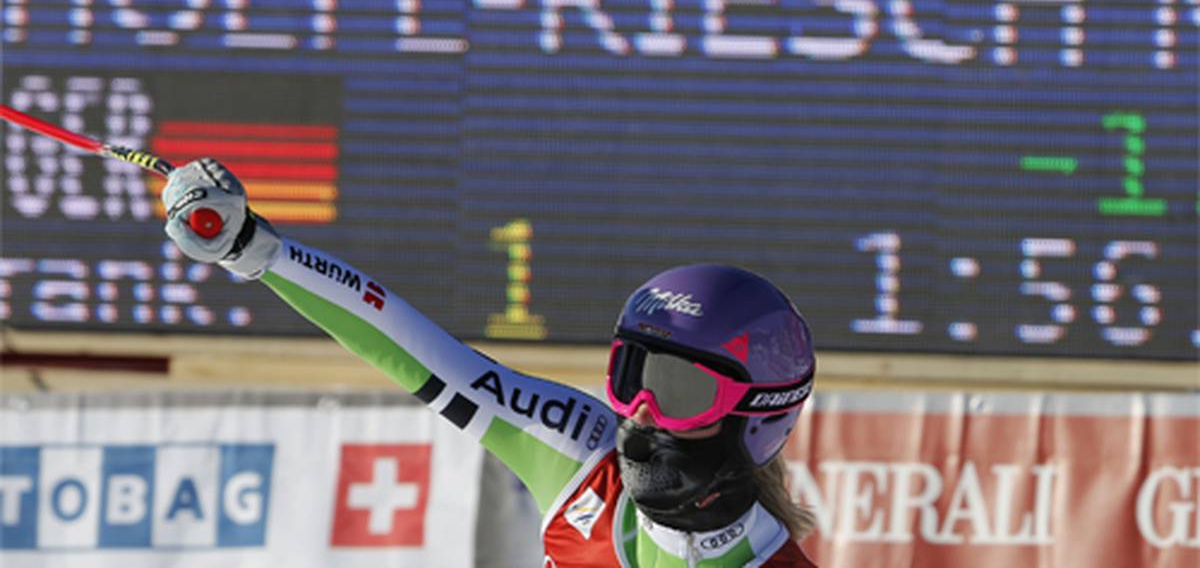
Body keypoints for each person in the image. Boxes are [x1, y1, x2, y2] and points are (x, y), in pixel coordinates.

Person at [162, 158, 820, 567]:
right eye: (632, 373)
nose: (641, 410)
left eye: (679, 387)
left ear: (757, 415)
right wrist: (254, 247)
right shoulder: (583, 460)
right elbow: (413, 348)